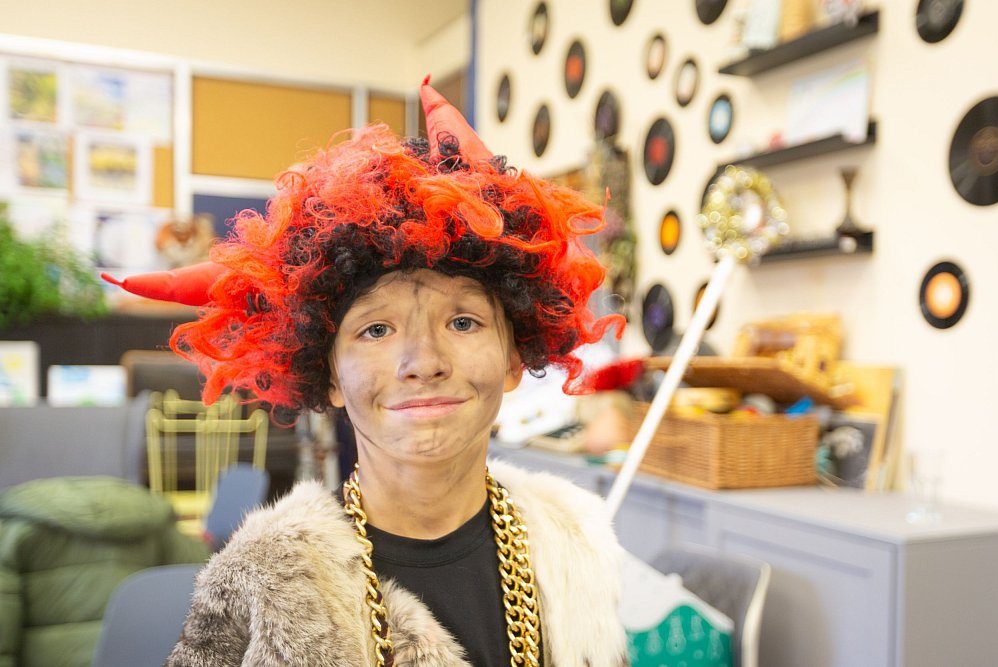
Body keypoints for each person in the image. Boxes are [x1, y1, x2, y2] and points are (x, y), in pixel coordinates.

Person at [107, 79, 628, 666]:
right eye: (376, 330)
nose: (423, 363)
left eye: (463, 322)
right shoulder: (261, 586)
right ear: (329, 375)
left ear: (513, 358)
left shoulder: (576, 546)